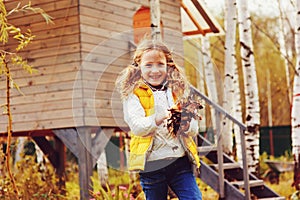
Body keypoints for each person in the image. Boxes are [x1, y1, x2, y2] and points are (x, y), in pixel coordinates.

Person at [115, 39, 202, 200]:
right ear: (138, 66)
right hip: (152, 165)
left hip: (179, 162)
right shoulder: (134, 94)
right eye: (148, 65)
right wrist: (158, 118)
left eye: (160, 64)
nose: (155, 70)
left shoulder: (177, 90)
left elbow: (194, 129)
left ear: (168, 66)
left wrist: (187, 124)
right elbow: (137, 127)